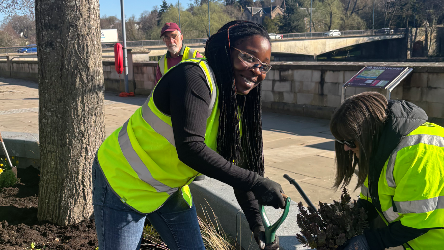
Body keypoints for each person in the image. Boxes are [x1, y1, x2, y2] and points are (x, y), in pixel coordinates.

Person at [93, 20, 285, 250]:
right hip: (122, 180)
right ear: (226, 50)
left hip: (168, 188)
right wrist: (256, 181)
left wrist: (257, 224)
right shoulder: (194, 77)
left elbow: (235, 167)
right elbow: (190, 148)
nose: (256, 70)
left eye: (264, 66)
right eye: (249, 57)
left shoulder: (237, 104)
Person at [330, 92, 444, 250]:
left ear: (369, 132)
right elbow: (369, 198)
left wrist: (369, 241)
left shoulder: (417, 153)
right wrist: (348, 224)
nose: (346, 147)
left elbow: (417, 221)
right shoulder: (379, 147)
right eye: (342, 141)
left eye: (350, 141)